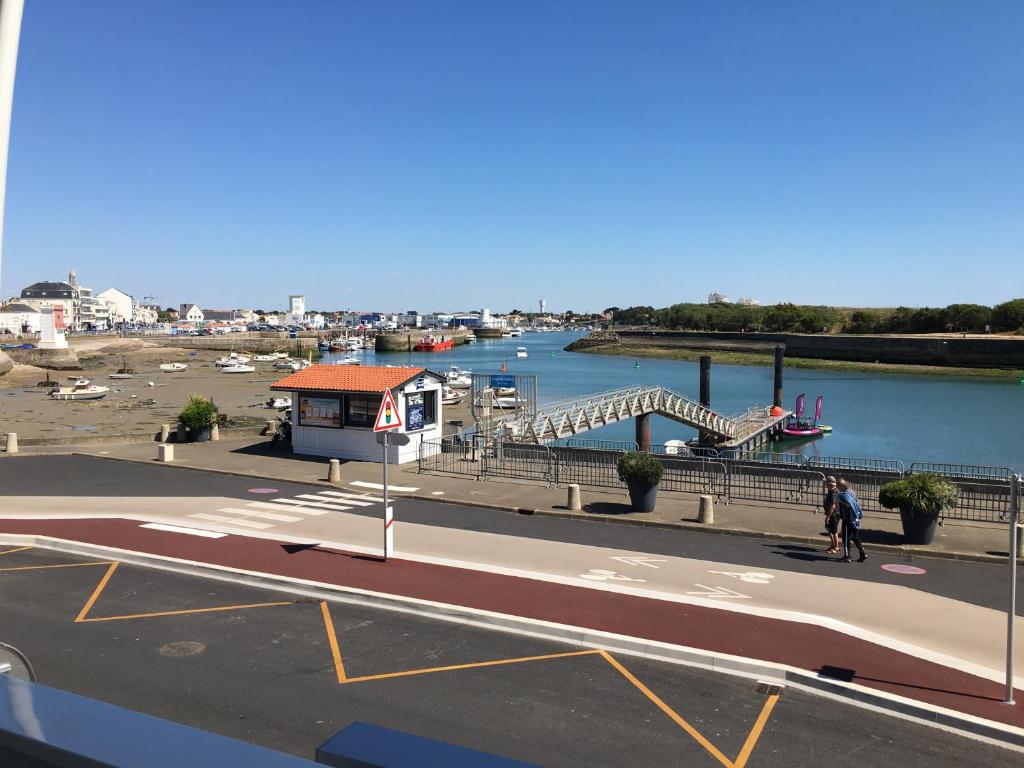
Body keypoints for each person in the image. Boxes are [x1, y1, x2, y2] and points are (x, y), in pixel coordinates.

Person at [836, 478, 867, 563]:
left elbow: (849, 504)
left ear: (841, 486)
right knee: (855, 537)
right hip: (854, 519)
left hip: (848, 519)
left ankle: (847, 556)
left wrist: (840, 499)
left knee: (845, 538)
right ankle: (863, 554)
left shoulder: (846, 494)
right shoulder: (852, 491)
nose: (837, 487)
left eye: (838, 486)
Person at [822, 476, 840, 554]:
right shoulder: (830, 491)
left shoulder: (834, 492)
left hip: (834, 514)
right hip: (831, 514)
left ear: (830, 483)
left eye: (826, 483)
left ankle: (836, 547)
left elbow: (833, 505)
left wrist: (828, 516)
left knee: (834, 531)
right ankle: (833, 544)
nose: (825, 484)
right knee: (828, 527)